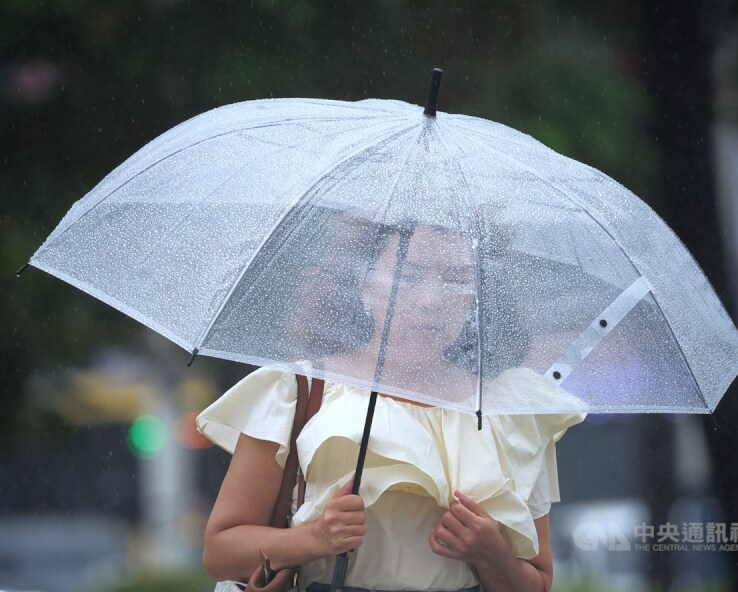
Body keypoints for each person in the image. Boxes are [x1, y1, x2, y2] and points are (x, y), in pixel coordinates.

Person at [198, 219, 587, 592]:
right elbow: (221, 552)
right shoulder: (299, 389)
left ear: (477, 295)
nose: (431, 300)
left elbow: (538, 581)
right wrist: (313, 539)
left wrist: (492, 555)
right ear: (364, 281)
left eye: (456, 279)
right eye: (409, 274)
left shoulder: (510, 409)